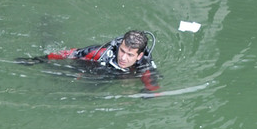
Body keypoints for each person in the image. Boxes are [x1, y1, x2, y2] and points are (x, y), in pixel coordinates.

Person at [21, 30, 160, 90]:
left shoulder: (144, 63)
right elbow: (72, 53)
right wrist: (38, 59)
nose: (123, 57)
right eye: (122, 51)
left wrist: (149, 91)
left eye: (130, 55)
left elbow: (152, 83)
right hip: (88, 68)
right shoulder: (102, 53)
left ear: (139, 56)